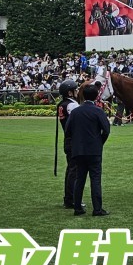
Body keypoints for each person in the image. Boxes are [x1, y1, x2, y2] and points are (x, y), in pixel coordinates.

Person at [66, 84, 112, 217]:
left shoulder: (75, 112)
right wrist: (100, 142)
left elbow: (68, 131)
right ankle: (97, 209)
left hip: (79, 150)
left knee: (79, 179)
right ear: (96, 96)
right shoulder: (98, 111)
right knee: (95, 179)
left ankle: (77, 207)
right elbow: (106, 130)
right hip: (94, 149)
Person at [57, 80, 81, 209]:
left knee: (71, 170)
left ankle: (68, 198)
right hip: (75, 140)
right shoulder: (72, 105)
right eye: (75, 90)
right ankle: (71, 199)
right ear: (70, 93)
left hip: (68, 139)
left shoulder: (62, 104)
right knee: (74, 171)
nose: (77, 91)